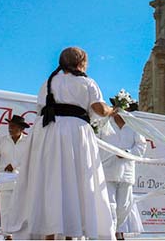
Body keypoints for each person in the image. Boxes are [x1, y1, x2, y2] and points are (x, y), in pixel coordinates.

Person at [6, 47, 116, 239]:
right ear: (81, 62)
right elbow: (99, 108)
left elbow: (41, 107)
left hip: (47, 131)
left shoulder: (48, 83)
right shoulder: (87, 82)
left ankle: (48, 231)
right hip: (74, 132)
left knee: (49, 179)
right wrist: (112, 110)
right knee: (75, 179)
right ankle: (70, 233)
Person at [100, 102, 147, 240]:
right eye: (117, 107)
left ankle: (117, 229)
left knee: (124, 206)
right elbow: (96, 142)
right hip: (107, 170)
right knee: (110, 204)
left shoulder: (133, 126)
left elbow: (141, 146)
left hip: (126, 171)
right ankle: (112, 234)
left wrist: (128, 153)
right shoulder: (104, 124)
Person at [0, 115, 30, 240]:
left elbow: (30, 158)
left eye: (13, 126)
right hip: (5, 179)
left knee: (23, 208)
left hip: (23, 180)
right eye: (9, 126)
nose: (10, 128)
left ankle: (22, 234)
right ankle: (7, 235)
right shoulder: (2, 140)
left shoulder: (28, 141)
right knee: (6, 209)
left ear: (21, 128)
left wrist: (15, 164)